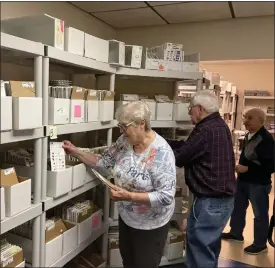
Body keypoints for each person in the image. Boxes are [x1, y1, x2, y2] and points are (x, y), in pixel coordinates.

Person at [63, 101, 176, 268]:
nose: (121, 131)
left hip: (151, 226)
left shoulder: (161, 153)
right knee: (129, 262)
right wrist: (76, 152)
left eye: (125, 126)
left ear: (141, 124)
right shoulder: (124, 142)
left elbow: (166, 196)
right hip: (127, 219)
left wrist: (129, 196)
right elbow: (103, 162)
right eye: (120, 126)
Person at [167, 90, 236, 268]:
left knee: (199, 250)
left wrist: (155, 148)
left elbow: (181, 157)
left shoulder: (205, 129)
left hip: (210, 202)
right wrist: (163, 141)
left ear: (200, 109)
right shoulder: (217, 124)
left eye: (190, 109)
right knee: (208, 248)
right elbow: (189, 148)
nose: (189, 113)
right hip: (220, 200)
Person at [222, 108, 274, 255]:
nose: (245, 121)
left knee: (260, 214)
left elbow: (270, 166)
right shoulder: (249, 135)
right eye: (245, 117)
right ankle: (236, 233)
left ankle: (260, 244)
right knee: (237, 207)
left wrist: (248, 169)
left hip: (258, 183)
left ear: (261, 120)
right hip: (243, 181)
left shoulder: (266, 140)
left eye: (250, 118)